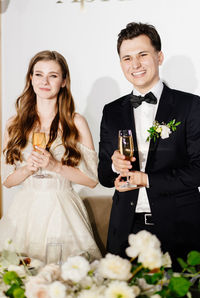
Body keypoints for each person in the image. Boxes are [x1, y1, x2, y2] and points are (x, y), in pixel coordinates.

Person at [98, 22, 200, 269]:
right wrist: (113, 166)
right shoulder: (111, 111)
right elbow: (102, 175)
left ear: (159, 56)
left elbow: (197, 170)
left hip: (179, 230)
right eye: (127, 58)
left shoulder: (191, 106)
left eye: (143, 54)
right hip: (126, 231)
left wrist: (147, 180)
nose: (135, 64)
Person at [1, 50, 101, 262]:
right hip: (25, 210)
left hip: (63, 210)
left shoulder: (76, 122)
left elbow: (92, 180)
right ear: (31, 78)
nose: (44, 81)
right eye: (39, 74)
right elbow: (7, 181)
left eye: (53, 75)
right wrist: (28, 168)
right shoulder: (13, 124)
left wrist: (55, 166)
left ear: (64, 81)